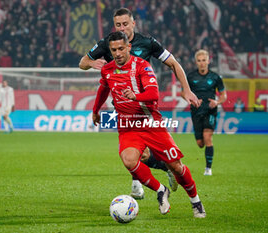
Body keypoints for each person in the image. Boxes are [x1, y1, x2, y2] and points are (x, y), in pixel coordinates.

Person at [80, 8, 198, 198]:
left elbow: (174, 63)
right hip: (124, 107)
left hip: (146, 105)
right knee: (136, 154)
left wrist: (187, 89)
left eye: (125, 24)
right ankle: (146, 180)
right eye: (118, 24)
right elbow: (82, 62)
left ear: (133, 23)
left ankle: (154, 176)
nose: (122, 28)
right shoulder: (108, 43)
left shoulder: (148, 43)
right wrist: (92, 63)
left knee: (148, 154)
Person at [92, 31, 206, 217]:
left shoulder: (142, 66)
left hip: (150, 123)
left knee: (176, 166)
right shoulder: (107, 70)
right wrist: (95, 110)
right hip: (128, 126)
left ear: (129, 47)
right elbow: (104, 88)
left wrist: (135, 96)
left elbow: (153, 94)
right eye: (114, 50)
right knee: (129, 160)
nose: (118, 53)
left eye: (121, 48)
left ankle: (196, 201)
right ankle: (161, 190)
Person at [186, 49, 227, 176]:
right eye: (199, 61)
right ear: (196, 62)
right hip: (196, 111)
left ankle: (208, 169)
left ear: (208, 61)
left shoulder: (215, 77)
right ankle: (205, 154)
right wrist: (190, 99)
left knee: (208, 137)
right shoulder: (191, 77)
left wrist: (217, 102)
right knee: (200, 143)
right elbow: (184, 92)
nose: (202, 63)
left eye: (204, 60)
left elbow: (223, 95)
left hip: (210, 111)